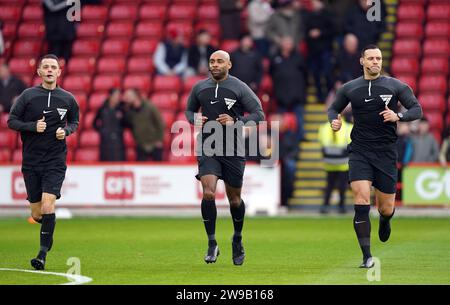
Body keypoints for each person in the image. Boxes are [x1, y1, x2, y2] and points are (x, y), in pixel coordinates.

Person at [327, 45, 422, 268]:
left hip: (386, 152)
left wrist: (398, 115)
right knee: (360, 200)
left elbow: (417, 110)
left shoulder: (396, 86)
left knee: (385, 207)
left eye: (378, 58)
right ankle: (367, 256)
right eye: (370, 58)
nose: (375, 62)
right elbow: (333, 108)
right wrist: (335, 120)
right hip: (359, 150)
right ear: (362, 62)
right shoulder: (350, 88)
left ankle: (386, 220)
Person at [185, 50, 265, 265]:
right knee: (208, 193)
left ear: (229, 64)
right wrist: (195, 119)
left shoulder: (239, 87)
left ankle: (237, 238)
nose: (215, 65)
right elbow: (189, 110)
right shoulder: (200, 87)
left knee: (234, 200)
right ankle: (212, 243)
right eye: (212, 61)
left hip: (233, 148)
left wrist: (235, 123)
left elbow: (259, 115)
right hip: (207, 147)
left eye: (220, 61)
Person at [7, 54, 79, 270]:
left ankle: (41, 255)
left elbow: (74, 121)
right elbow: (11, 121)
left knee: (49, 204)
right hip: (31, 161)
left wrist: (65, 131)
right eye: (45, 67)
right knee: (38, 213)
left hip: (55, 160)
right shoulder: (27, 96)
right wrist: (31, 126)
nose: (49, 70)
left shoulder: (68, 99)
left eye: (53, 67)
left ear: (59, 72)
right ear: (39, 72)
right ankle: (49, 229)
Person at [269, 36, 307, 142]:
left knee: (299, 118)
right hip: (280, 95)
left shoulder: (298, 58)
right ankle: (281, 139)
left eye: (290, 43)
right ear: (281, 44)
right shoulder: (275, 58)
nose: (288, 45)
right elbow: (271, 73)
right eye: (286, 43)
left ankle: (300, 137)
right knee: (281, 121)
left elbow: (305, 75)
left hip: (296, 94)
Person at [318, 111, 353, 214]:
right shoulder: (348, 127)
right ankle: (332, 206)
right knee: (332, 186)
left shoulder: (324, 128)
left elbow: (322, 144)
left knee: (337, 186)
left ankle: (334, 205)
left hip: (340, 163)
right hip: (335, 163)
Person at [304, 0, 336, 102]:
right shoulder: (308, 16)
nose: (313, 4)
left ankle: (330, 94)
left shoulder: (328, 14)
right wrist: (310, 34)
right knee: (315, 74)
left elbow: (334, 30)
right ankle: (319, 96)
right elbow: (304, 31)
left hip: (326, 49)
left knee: (327, 73)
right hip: (313, 50)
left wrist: (320, 33)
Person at [123, 88, 164, 161]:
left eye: (129, 96)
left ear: (136, 96)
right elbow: (126, 124)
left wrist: (159, 139)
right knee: (140, 166)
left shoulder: (149, 106)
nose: (127, 98)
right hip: (140, 144)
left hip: (154, 143)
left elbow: (160, 123)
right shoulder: (129, 110)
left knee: (158, 167)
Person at [93, 88, 126, 162]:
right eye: (116, 95)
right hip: (105, 141)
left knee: (118, 160)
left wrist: (120, 129)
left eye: (118, 96)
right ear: (110, 96)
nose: (117, 97)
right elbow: (94, 123)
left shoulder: (121, 108)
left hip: (118, 140)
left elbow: (126, 123)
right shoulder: (103, 108)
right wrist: (102, 131)